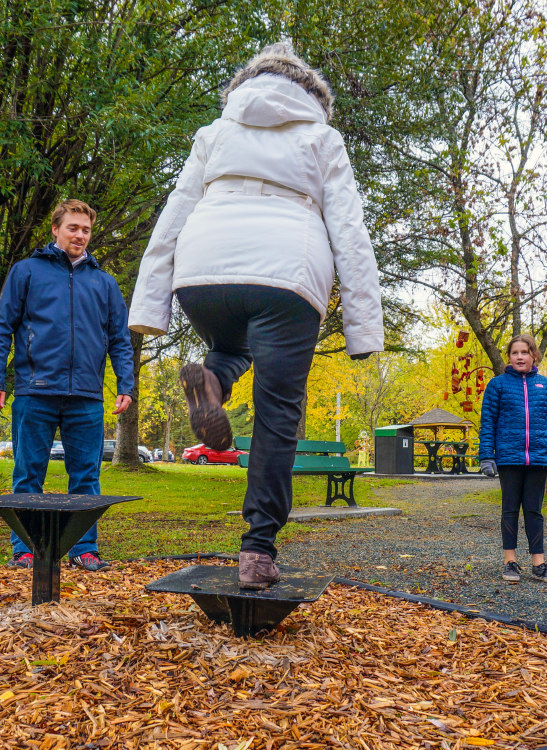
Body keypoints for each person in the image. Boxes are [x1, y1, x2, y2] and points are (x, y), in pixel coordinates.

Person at [127, 43, 384, 590]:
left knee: (231, 346)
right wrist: (364, 327)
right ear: (313, 95)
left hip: (203, 271)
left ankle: (213, 378)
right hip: (286, 273)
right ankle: (258, 550)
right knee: (277, 413)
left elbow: (174, 211)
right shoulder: (321, 137)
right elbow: (350, 231)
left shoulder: (215, 133)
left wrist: (151, 306)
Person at [0, 199, 135, 572]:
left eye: (85, 229)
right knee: (27, 475)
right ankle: (25, 549)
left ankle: (84, 548)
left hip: (85, 395)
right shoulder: (27, 272)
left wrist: (126, 384)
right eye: (73, 228)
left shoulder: (103, 282)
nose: (80, 235)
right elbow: (1, 326)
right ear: (55, 229)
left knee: (86, 476)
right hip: (35, 390)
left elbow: (119, 338)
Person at [478, 334, 547, 584]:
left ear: (534, 356)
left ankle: (539, 565)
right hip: (509, 458)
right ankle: (510, 561)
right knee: (509, 510)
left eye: (525, 352)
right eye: (515, 352)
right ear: (509, 357)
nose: (519, 357)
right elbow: (488, 423)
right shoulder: (497, 385)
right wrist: (487, 456)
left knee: (534, 511)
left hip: (539, 459)